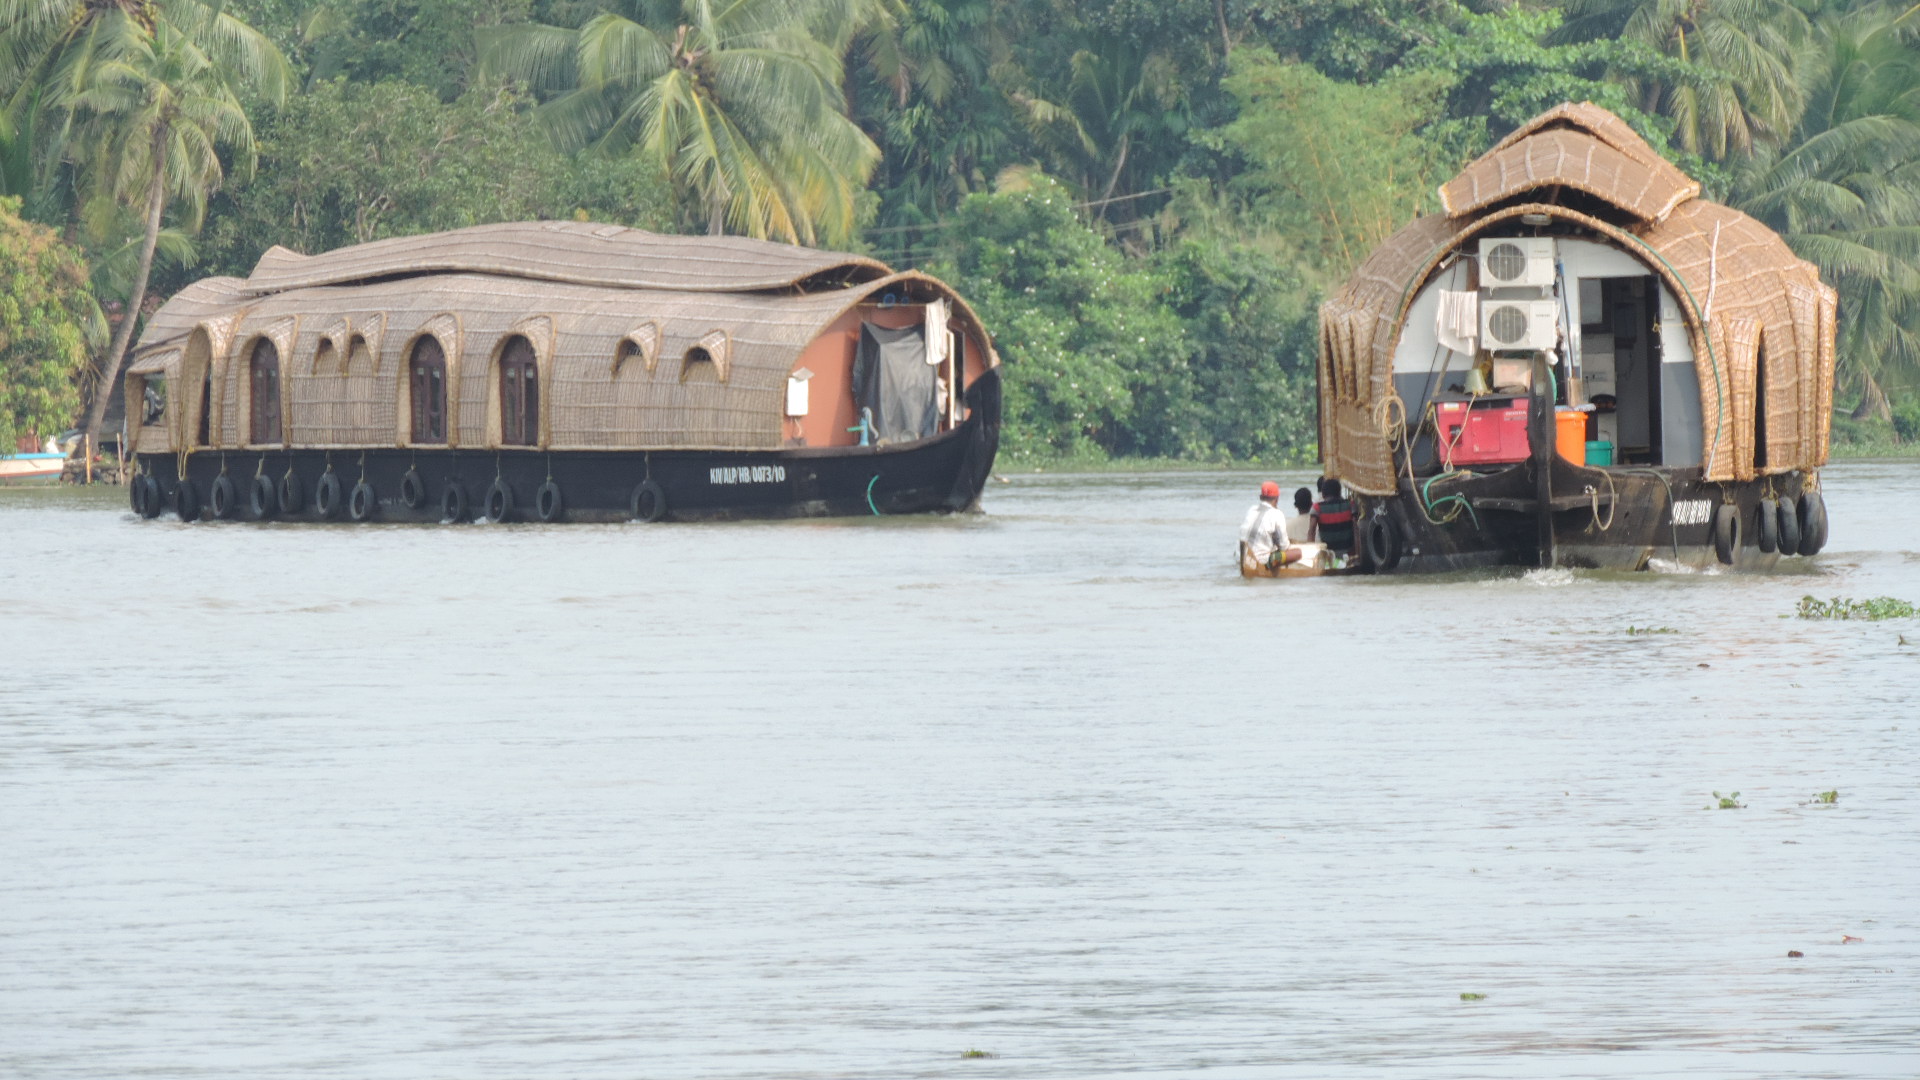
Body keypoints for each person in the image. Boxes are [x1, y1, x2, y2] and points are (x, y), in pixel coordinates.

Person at [1240, 481, 1297, 570]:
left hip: (1243, 557)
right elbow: (1284, 546)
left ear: (1260, 497)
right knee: (1297, 553)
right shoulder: (1277, 514)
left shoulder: (1251, 510)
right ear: (1277, 499)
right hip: (1262, 561)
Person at [1311, 477, 1356, 556]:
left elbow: (1311, 531)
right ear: (1339, 492)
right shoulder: (1350, 505)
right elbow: (1356, 530)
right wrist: (1358, 555)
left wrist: (1310, 554)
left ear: (1323, 494)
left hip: (1328, 555)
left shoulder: (1317, 508)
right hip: (1348, 553)